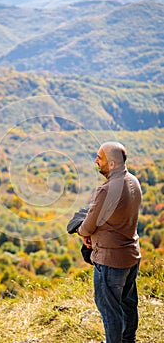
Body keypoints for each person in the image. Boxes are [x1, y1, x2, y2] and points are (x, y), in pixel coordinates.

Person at [77, 141, 142, 343]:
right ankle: (128, 339)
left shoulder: (106, 190)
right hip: (131, 256)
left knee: (110, 311)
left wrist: (83, 232)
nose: (96, 161)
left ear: (112, 164)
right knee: (128, 304)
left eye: (100, 158)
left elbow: (87, 227)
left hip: (110, 261)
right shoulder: (134, 181)